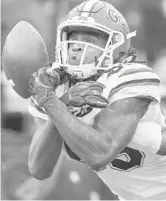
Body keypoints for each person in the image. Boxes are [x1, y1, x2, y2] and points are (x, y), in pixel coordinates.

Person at [28, 0, 166, 200]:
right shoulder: (58, 88)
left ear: (115, 45)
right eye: (73, 40)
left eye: (89, 40)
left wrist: (51, 102)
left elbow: (100, 154)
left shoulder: (129, 76)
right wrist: (60, 103)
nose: (76, 47)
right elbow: (38, 169)